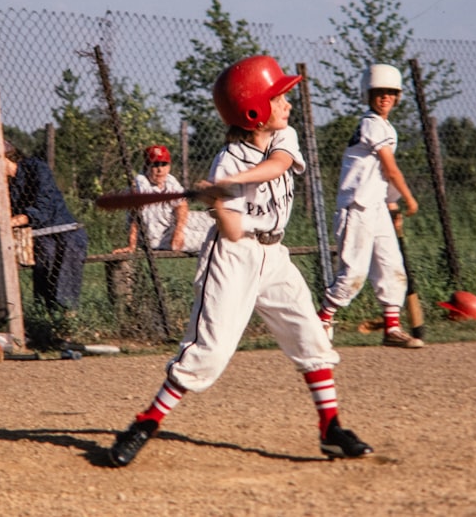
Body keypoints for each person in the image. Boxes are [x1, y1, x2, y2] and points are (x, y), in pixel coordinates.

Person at [108, 55, 373, 467]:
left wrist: (233, 185)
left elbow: (278, 165)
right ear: (254, 113)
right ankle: (145, 422)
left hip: (275, 255)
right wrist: (218, 200)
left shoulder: (283, 138)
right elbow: (232, 230)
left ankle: (330, 428)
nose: (287, 103)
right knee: (208, 353)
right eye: (279, 97)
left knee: (312, 337)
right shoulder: (226, 162)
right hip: (234, 258)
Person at [318, 63, 423, 349]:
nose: (385, 97)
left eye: (391, 92)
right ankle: (320, 321)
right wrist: (410, 198)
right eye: (379, 92)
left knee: (392, 267)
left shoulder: (385, 126)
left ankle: (392, 328)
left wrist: (392, 206)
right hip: (356, 208)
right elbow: (391, 170)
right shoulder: (371, 123)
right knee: (353, 274)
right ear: (368, 94)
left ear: (398, 96)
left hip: (375, 208)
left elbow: (378, 175)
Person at [0, 140, 88, 331]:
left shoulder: (35, 168)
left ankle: (68, 317)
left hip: (63, 227)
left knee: (70, 248)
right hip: (37, 235)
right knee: (45, 254)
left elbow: (44, 206)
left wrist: (12, 221)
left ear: (4, 158)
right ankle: (46, 319)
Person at [112, 144, 213, 255]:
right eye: (155, 165)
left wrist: (178, 230)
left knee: (214, 219)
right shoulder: (140, 184)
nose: (160, 169)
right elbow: (134, 217)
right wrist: (132, 245)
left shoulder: (169, 180)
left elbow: (181, 205)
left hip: (172, 225)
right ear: (146, 166)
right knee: (212, 239)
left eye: (164, 164)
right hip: (158, 237)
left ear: (169, 166)